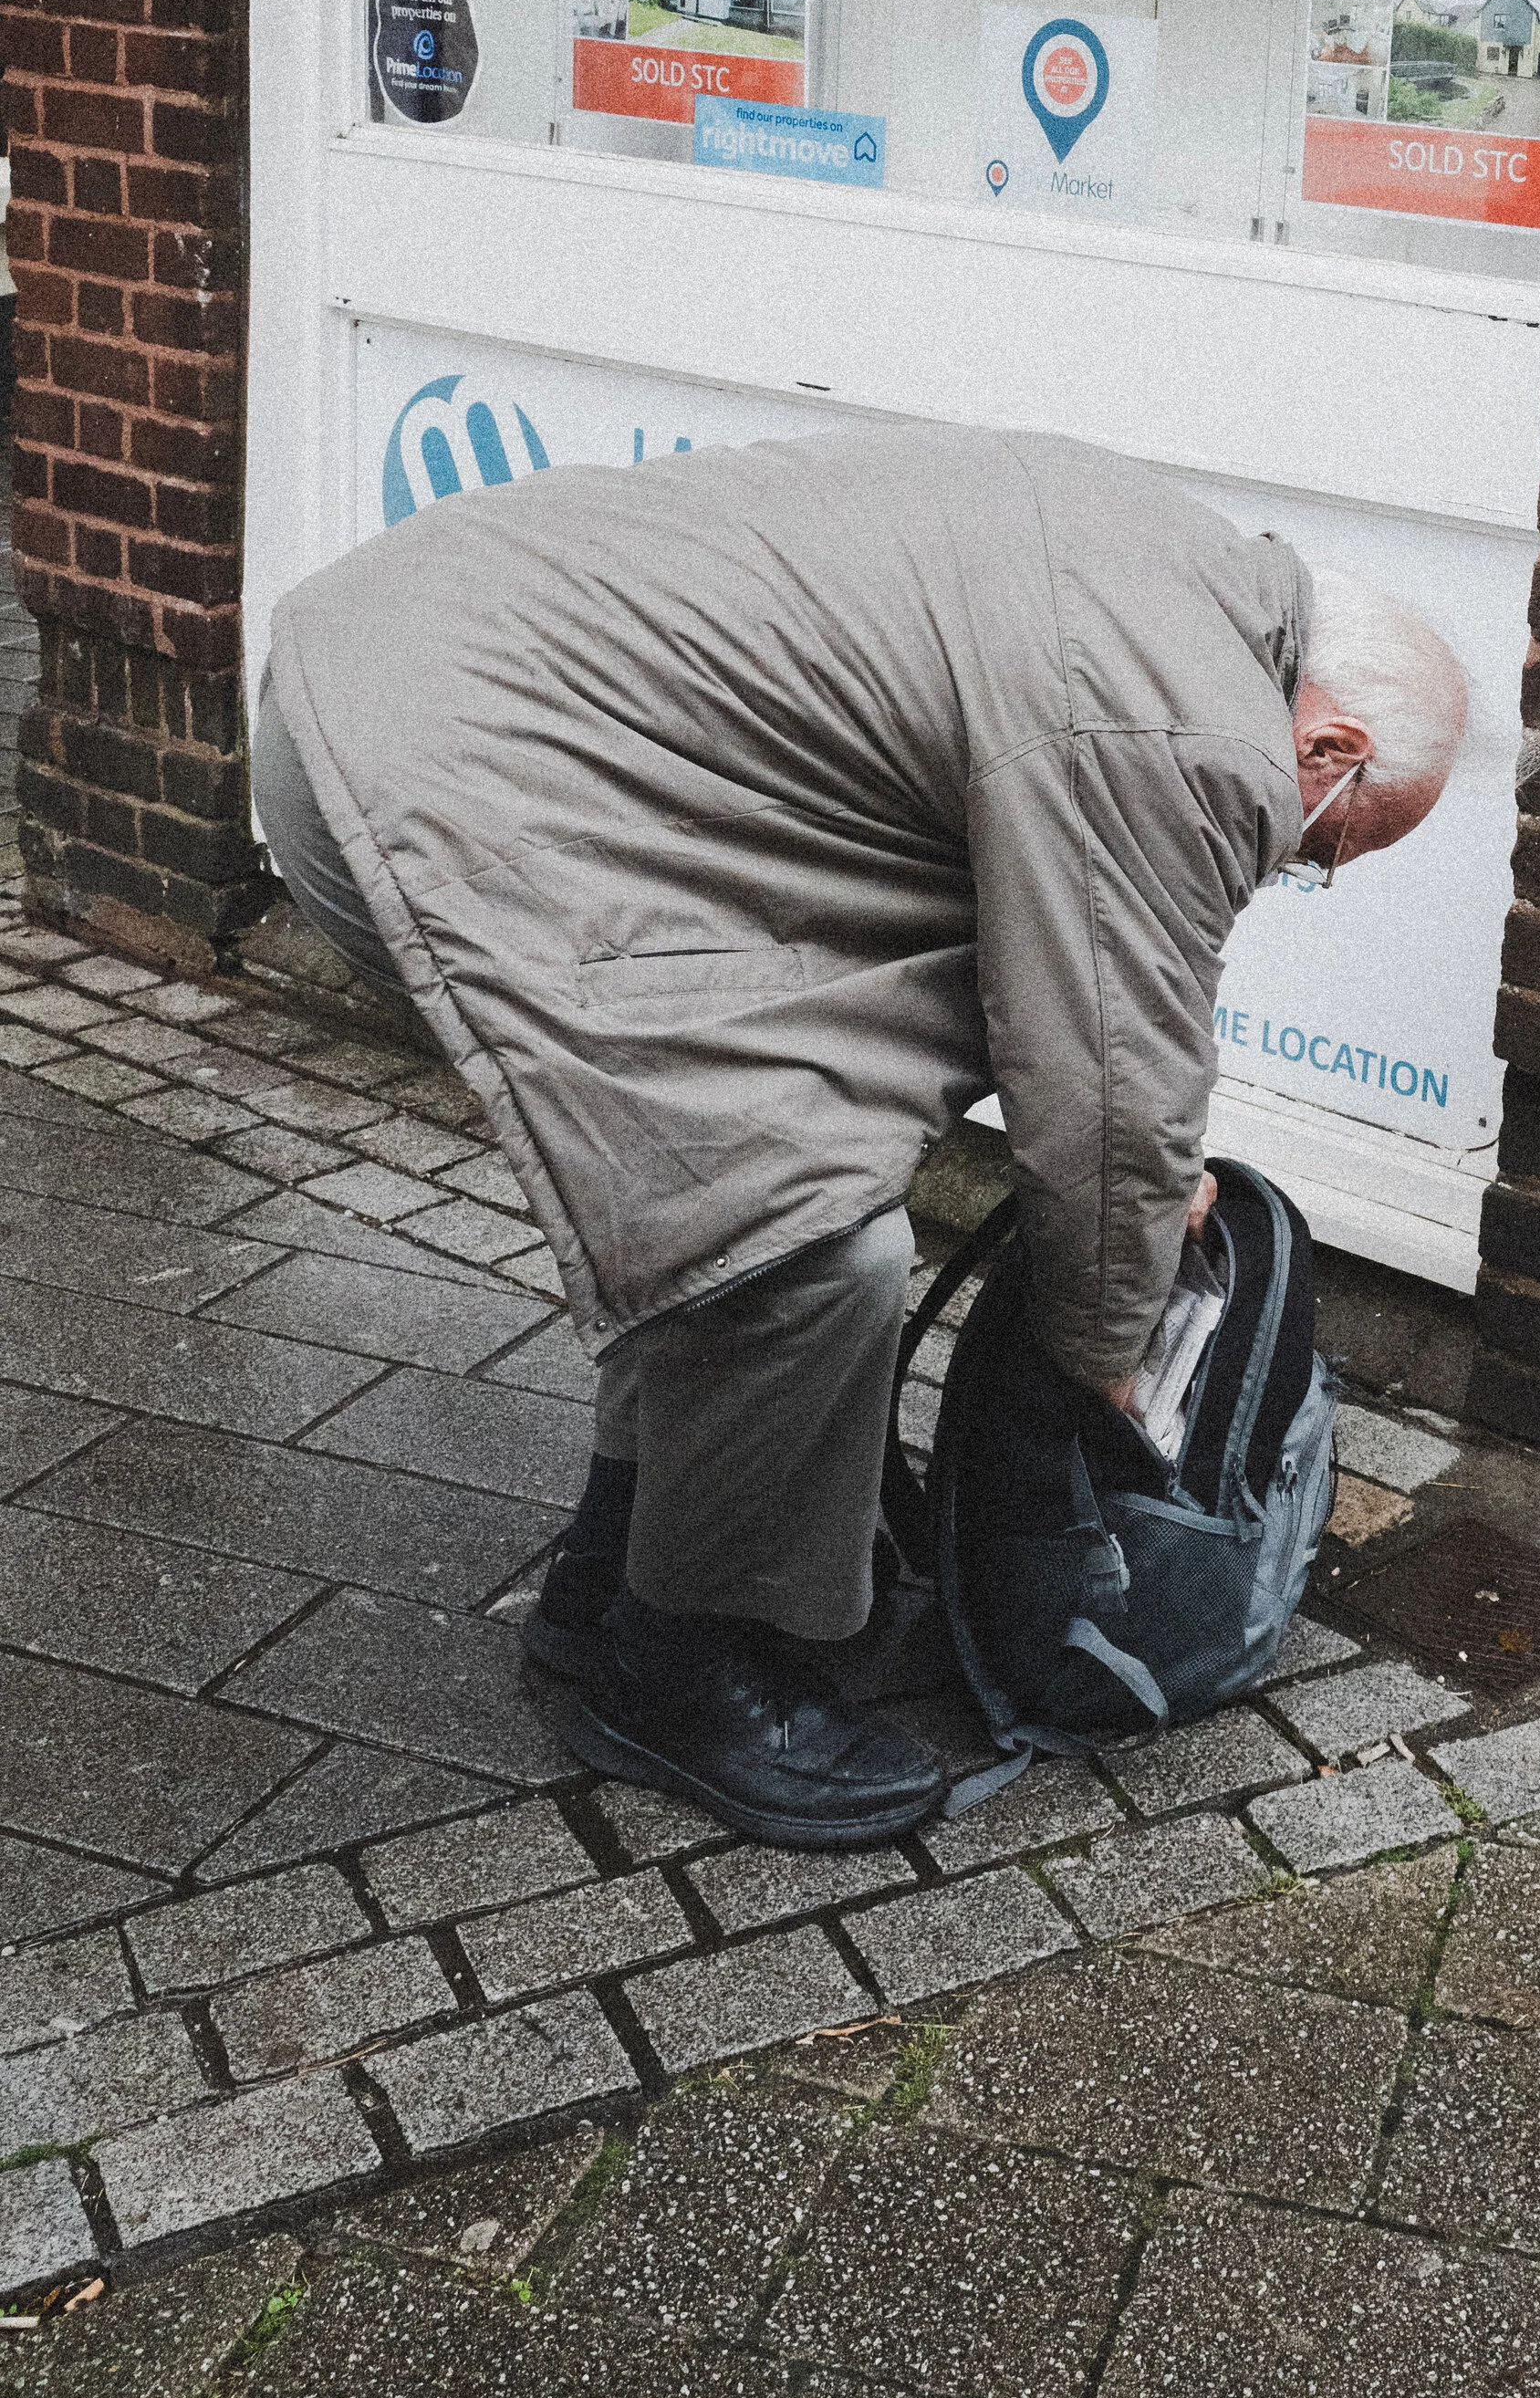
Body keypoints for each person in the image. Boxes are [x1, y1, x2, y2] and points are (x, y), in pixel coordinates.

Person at [253, 422, 1466, 1846]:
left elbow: (1095, 1029)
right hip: (440, 773)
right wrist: (1113, 1358)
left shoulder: (1177, 581)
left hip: (406, 693)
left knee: (743, 1198)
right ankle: (689, 1669)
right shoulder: (1192, 727)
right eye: (1328, 844)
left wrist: (1137, 1176)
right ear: (1327, 743)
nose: (1298, 857)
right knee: (802, 1241)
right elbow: (1110, 1069)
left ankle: (613, 1585)